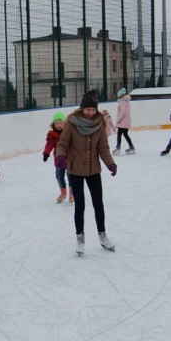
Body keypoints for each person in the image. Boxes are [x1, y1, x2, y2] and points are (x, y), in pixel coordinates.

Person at [55, 90, 117, 254]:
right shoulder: (72, 123)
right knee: (80, 206)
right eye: (88, 109)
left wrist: (110, 164)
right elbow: (62, 143)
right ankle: (80, 238)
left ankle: (103, 236)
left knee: (98, 204)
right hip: (75, 170)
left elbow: (103, 149)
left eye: (93, 110)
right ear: (82, 109)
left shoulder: (100, 125)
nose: (90, 113)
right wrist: (60, 156)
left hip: (93, 169)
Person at [42, 111, 73, 203]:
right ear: (53, 124)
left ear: (64, 123)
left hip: (70, 158)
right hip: (59, 159)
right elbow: (49, 144)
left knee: (70, 176)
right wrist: (46, 153)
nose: (59, 125)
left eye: (61, 122)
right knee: (59, 176)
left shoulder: (69, 132)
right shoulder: (52, 135)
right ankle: (63, 191)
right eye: (56, 123)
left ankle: (72, 193)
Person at [112, 88, 135, 155]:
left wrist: (118, 119)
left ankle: (118, 148)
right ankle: (131, 147)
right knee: (125, 134)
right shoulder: (127, 101)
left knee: (119, 134)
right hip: (127, 121)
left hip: (122, 121)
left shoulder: (121, 102)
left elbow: (123, 111)